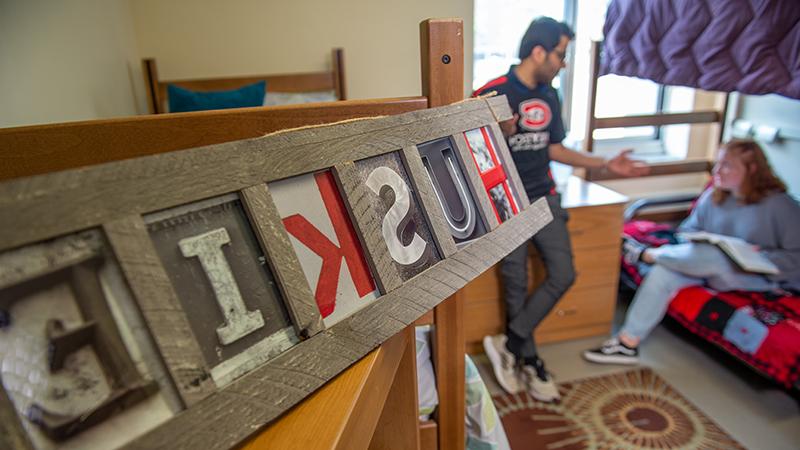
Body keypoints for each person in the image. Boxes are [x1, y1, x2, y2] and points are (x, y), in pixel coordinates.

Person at [474, 17, 648, 402]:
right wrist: (494, 134)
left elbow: (554, 148)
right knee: (516, 281)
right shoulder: (490, 92)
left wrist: (603, 165)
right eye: (561, 54)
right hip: (506, 203)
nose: (563, 63)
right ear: (539, 51)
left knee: (564, 272)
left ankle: (511, 342)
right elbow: (466, 151)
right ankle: (529, 359)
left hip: (545, 196)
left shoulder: (550, 94)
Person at [583, 139, 800, 365]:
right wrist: (706, 241)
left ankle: (646, 254)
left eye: (727, 165)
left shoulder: (780, 206)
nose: (717, 171)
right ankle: (628, 343)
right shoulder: (715, 196)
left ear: (752, 169)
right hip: (705, 266)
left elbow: (796, 259)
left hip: (755, 275)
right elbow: (688, 231)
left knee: (713, 257)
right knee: (663, 274)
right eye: (717, 164)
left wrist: (757, 255)